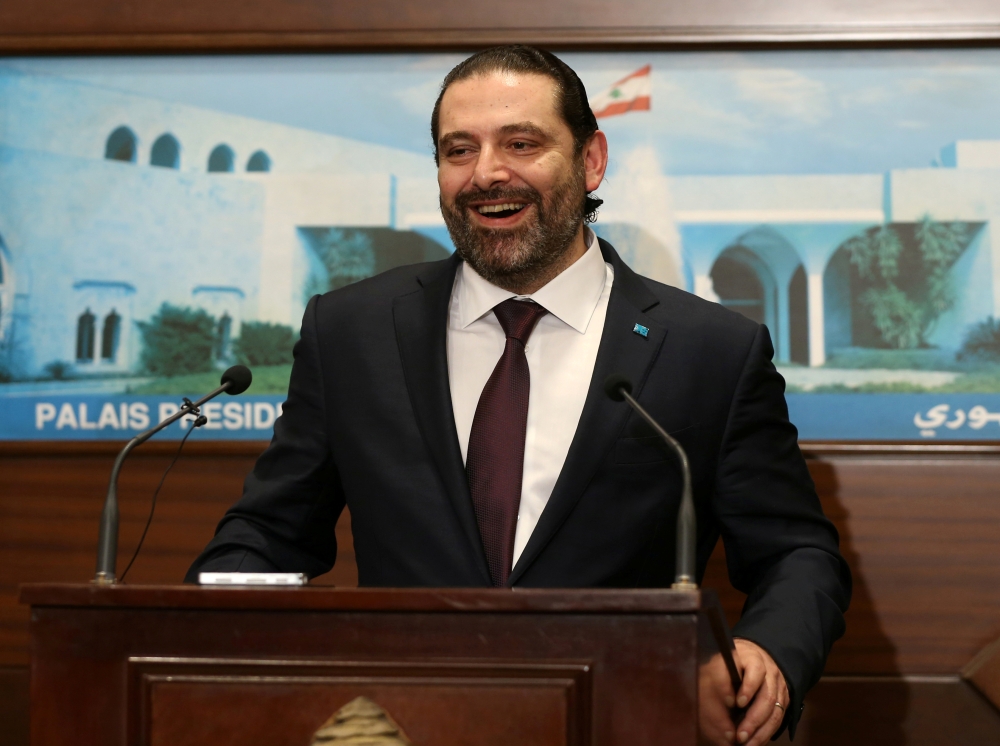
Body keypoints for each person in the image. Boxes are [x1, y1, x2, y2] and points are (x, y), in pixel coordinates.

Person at [188, 46, 851, 745]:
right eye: (458, 150)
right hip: (400, 722)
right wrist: (204, 631)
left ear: (591, 161)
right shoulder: (351, 331)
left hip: (623, 721)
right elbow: (268, 536)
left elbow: (794, 553)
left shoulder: (709, 349)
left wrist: (766, 653)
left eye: (522, 143)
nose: (486, 174)